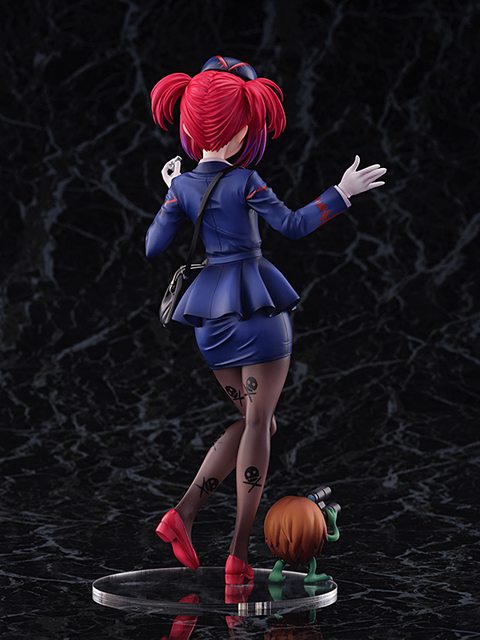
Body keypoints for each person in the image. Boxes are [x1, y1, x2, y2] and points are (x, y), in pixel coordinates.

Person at [145, 55, 387, 585]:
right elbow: (294, 226)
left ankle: (182, 514)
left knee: (260, 421)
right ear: (242, 131)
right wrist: (342, 193)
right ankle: (237, 553)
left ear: (189, 126)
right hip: (256, 311)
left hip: (210, 321)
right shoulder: (246, 180)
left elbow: (153, 246)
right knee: (259, 424)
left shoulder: (182, 187)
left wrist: (172, 190)